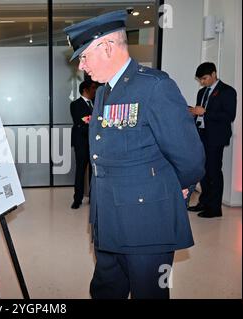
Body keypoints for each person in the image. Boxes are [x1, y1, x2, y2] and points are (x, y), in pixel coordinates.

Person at [64, 10, 205, 299]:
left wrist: (178, 188)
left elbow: (190, 157)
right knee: (105, 290)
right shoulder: (103, 92)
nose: (82, 65)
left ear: (107, 47)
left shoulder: (155, 86)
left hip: (147, 223)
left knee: (149, 293)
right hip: (108, 218)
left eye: (84, 56)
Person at [187, 62, 237, 218]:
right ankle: (204, 202)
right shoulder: (202, 93)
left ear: (214, 74)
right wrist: (194, 112)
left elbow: (229, 116)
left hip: (216, 137)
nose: (202, 82)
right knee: (203, 171)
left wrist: (205, 112)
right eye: (200, 80)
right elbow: (200, 113)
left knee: (214, 171)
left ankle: (215, 208)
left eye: (204, 78)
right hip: (201, 135)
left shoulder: (227, 91)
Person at [70, 80, 98, 209]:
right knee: (80, 171)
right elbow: (81, 121)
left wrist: (90, 120)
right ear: (85, 90)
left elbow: (89, 120)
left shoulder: (95, 104)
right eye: (93, 88)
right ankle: (77, 199)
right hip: (81, 142)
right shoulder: (75, 104)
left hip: (94, 143)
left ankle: (93, 197)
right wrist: (93, 120)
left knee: (93, 171)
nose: (95, 91)